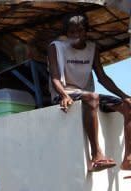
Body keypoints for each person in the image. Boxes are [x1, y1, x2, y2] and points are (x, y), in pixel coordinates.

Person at [48, 12, 131, 172]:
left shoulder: (93, 48)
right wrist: (64, 95)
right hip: (64, 92)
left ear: (86, 31)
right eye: (72, 32)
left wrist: (124, 95)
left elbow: (102, 77)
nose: (76, 35)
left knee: (128, 105)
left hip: (86, 95)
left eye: (80, 31)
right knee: (92, 97)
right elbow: (55, 77)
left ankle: (128, 159)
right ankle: (97, 157)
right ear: (67, 33)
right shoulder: (56, 47)